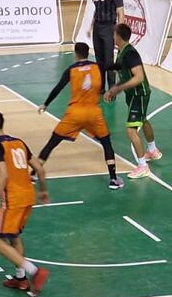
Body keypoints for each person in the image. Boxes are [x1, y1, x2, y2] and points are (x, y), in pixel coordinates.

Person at [36, 42, 124, 191]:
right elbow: (116, 65)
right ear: (87, 53)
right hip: (93, 113)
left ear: (76, 54)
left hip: (74, 113)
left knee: (52, 142)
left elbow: (58, 88)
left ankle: (33, 174)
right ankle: (113, 179)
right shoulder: (98, 66)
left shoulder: (71, 70)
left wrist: (46, 104)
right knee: (106, 143)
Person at [0, 111, 51, 296]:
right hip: (28, 196)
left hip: (13, 198)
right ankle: (21, 279)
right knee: (13, 237)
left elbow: (3, 175)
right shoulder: (19, 142)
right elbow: (39, 169)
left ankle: (34, 272)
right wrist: (43, 190)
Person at [104, 23, 160, 179]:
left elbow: (139, 77)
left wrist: (118, 89)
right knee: (143, 119)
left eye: (114, 34)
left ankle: (143, 166)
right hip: (133, 94)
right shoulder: (122, 52)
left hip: (138, 94)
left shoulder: (130, 54)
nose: (112, 37)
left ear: (119, 36)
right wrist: (114, 89)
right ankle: (153, 151)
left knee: (131, 130)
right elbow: (124, 75)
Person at [89, 0, 124, 93]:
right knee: (99, 60)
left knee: (108, 60)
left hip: (109, 28)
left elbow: (121, 14)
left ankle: (112, 88)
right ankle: (101, 87)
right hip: (97, 28)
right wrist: (90, 27)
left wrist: (119, 34)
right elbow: (96, 10)